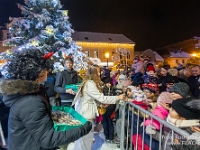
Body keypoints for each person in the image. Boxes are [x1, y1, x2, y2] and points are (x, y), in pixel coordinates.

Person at [0, 47, 92, 150]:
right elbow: (48, 139)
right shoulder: (31, 101)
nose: (48, 71)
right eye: (46, 69)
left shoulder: (29, 94)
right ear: (40, 72)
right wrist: (84, 128)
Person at [73, 64, 126, 150]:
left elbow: (92, 98)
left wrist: (100, 104)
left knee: (85, 139)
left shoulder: (88, 82)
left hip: (86, 113)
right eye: (98, 71)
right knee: (85, 139)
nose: (100, 73)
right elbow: (101, 98)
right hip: (86, 114)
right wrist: (117, 98)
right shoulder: (90, 83)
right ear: (93, 73)